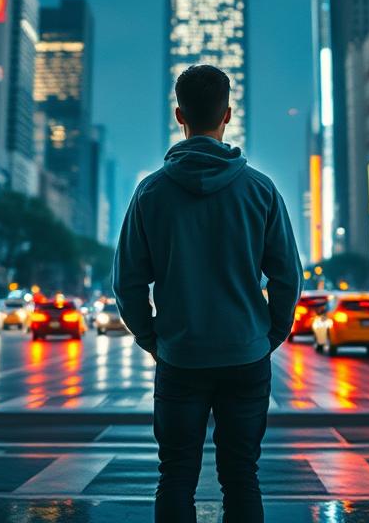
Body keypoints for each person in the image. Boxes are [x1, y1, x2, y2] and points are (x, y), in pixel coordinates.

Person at [114, 65, 302, 523]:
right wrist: (271, 333)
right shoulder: (260, 189)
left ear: (180, 115)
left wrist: (152, 337)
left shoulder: (151, 192)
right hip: (246, 354)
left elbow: (127, 282)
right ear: (228, 115)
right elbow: (287, 276)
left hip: (180, 356)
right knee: (242, 477)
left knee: (176, 475)